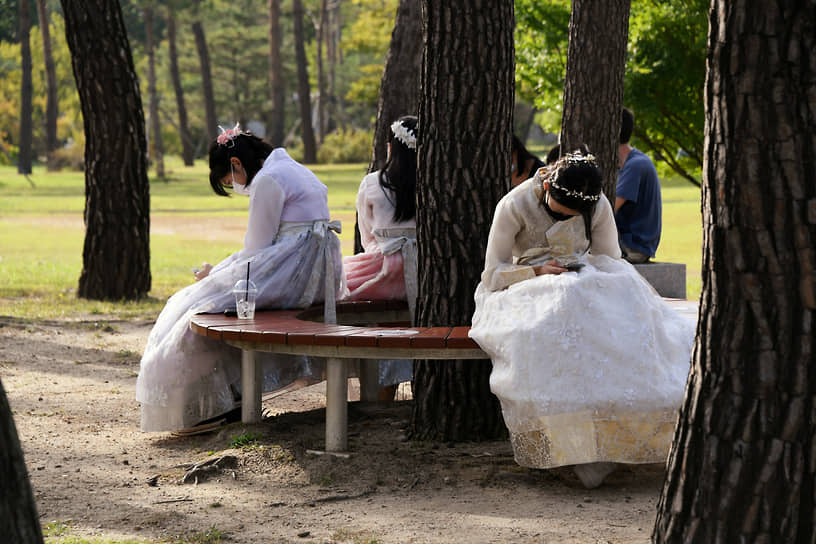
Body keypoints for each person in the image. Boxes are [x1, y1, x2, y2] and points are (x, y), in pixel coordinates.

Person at [469, 149, 694, 488]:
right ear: (547, 190)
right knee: (560, 311)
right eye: (560, 213)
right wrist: (538, 270)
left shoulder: (598, 204)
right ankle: (571, 444)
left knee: (615, 303)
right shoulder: (514, 205)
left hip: (579, 277)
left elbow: (610, 258)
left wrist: (583, 272)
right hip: (524, 284)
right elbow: (492, 273)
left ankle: (617, 433)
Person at [136, 124, 344, 432]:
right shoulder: (293, 169)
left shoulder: (268, 180)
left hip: (292, 274)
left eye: (229, 182)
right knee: (211, 302)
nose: (236, 187)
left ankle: (215, 403)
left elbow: (255, 250)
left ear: (236, 164)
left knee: (193, 309)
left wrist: (214, 273)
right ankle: (229, 395)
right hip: (314, 271)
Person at [342, 115, 418, 392]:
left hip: (385, 266)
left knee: (349, 291)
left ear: (390, 147)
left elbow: (367, 235)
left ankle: (380, 391)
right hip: (426, 269)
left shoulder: (373, 183)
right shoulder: (432, 182)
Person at [615, 107, 662, 263]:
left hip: (634, 246)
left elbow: (608, 208)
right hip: (628, 241)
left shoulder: (635, 166)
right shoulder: (629, 162)